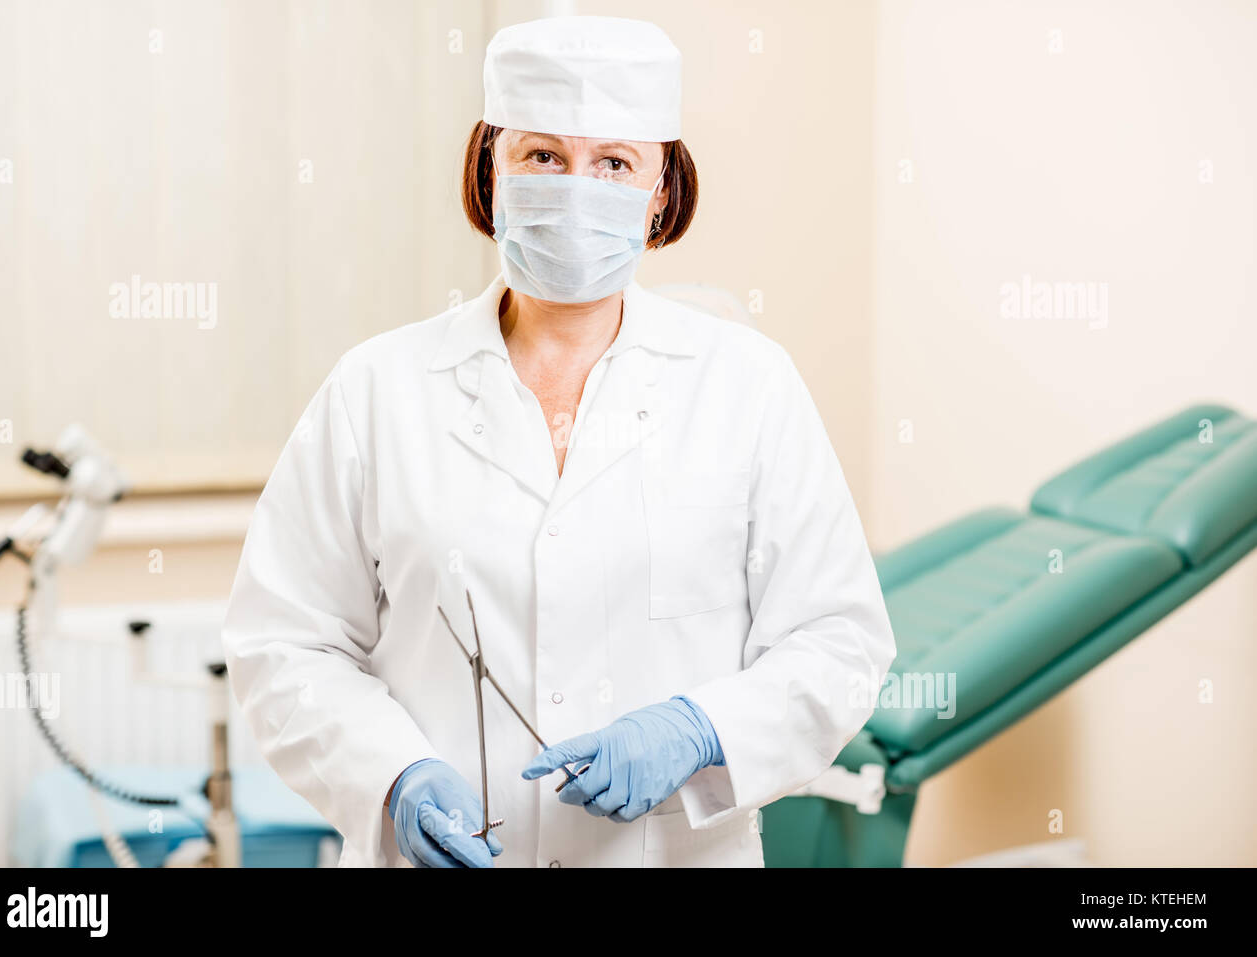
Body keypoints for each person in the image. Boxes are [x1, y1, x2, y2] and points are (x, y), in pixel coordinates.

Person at [222, 15, 896, 868]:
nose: (577, 188)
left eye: (614, 163)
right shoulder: (376, 390)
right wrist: (394, 775)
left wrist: (699, 730)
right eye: (542, 155)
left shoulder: (748, 386)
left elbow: (840, 642)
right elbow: (284, 640)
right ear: (490, 166)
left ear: (660, 189)